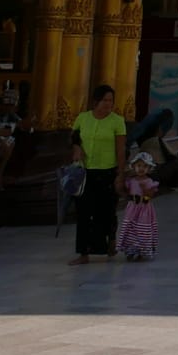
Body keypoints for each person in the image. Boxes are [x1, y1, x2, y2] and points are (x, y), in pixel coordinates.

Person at [69, 84, 126, 265]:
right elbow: (74, 137)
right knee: (83, 212)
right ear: (96, 101)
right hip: (85, 171)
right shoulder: (83, 118)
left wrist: (120, 174)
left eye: (111, 101)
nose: (108, 104)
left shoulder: (117, 121)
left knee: (107, 210)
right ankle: (83, 252)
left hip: (107, 171)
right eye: (104, 100)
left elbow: (120, 149)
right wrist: (77, 148)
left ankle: (110, 240)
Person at [117, 151, 161, 261]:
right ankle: (131, 250)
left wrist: (145, 189)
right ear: (134, 167)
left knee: (142, 229)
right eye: (139, 165)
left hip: (144, 209)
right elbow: (125, 191)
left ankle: (142, 251)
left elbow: (150, 195)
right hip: (132, 208)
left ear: (149, 169)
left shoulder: (149, 181)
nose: (141, 168)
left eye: (145, 166)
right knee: (130, 228)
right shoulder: (131, 181)